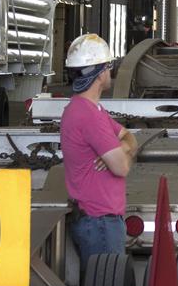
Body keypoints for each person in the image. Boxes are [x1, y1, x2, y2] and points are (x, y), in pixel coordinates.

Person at [60, 33, 139, 261]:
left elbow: (130, 138)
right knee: (106, 283)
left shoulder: (88, 109)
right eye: (108, 66)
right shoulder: (89, 117)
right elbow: (122, 168)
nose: (110, 72)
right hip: (100, 223)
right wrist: (123, 151)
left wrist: (122, 147)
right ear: (100, 73)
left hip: (97, 221)